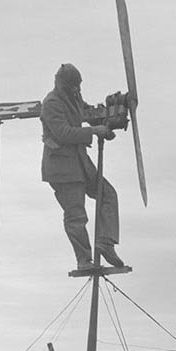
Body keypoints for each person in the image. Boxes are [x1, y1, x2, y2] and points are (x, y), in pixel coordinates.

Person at [41, 63, 125, 270]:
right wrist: (95, 131)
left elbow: (87, 113)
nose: (77, 90)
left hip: (79, 162)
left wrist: (112, 114)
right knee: (76, 215)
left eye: (79, 86)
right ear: (63, 85)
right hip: (61, 168)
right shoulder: (51, 103)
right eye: (73, 86)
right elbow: (64, 133)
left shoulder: (74, 97)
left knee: (108, 194)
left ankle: (105, 243)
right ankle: (84, 260)